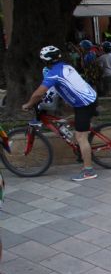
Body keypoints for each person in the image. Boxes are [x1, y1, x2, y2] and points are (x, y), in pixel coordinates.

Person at [22, 46, 98, 181]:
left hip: (84, 104)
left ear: (46, 61)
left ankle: (88, 171)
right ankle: (82, 153)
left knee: (81, 137)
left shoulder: (54, 73)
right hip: (89, 98)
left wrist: (29, 104)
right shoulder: (65, 67)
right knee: (73, 125)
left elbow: (39, 93)